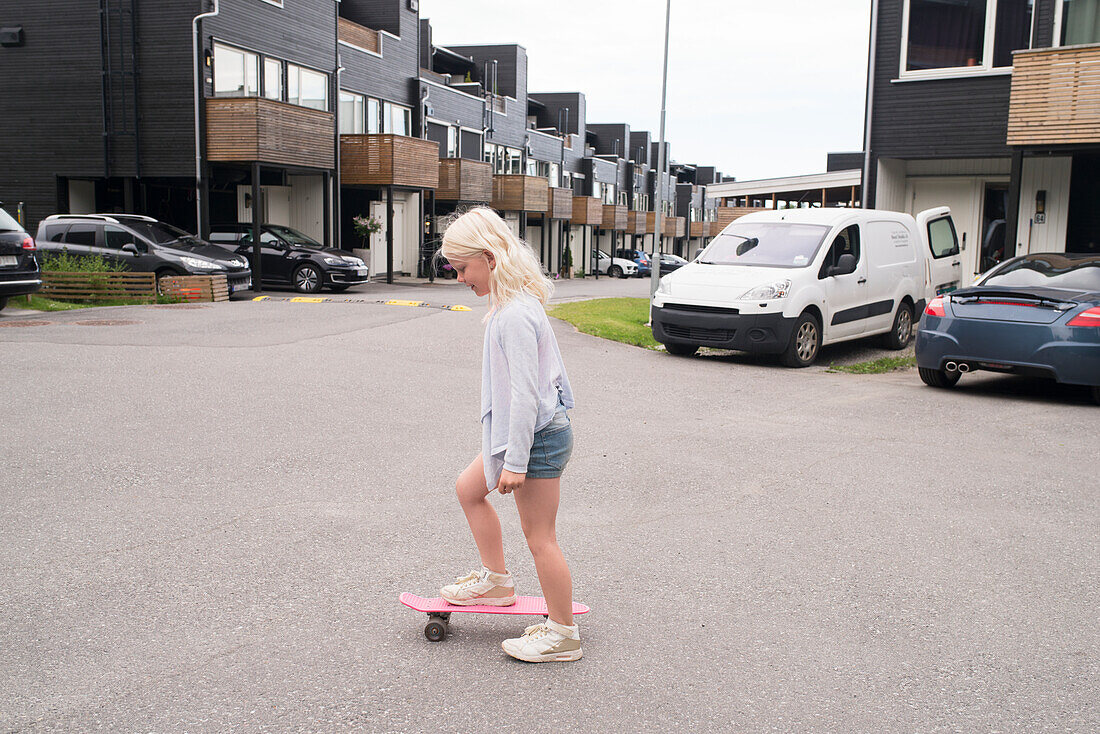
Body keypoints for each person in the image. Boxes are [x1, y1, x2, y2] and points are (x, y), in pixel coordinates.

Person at [436, 207, 581, 663]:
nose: (459, 277)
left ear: (491, 258)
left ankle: (563, 633)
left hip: (534, 436)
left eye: (462, 268)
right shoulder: (510, 305)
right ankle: (496, 581)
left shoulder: (515, 313)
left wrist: (516, 460)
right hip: (520, 432)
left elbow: (526, 395)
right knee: (468, 489)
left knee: (540, 536)